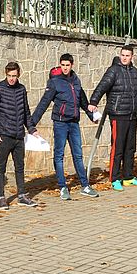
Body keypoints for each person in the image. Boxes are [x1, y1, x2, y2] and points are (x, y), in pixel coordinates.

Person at [31, 54, 99, 198]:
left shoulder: (76, 80)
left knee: (78, 155)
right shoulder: (55, 82)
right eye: (62, 65)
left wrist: (91, 116)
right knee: (59, 155)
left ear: (72, 65)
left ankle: (85, 186)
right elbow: (44, 103)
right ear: (60, 65)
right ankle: (63, 187)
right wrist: (31, 124)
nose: (65, 68)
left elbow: (83, 100)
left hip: (74, 123)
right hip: (60, 123)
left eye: (67, 65)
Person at [88, 45, 137, 191]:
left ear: (132, 57)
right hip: (117, 114)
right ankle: (115, 178)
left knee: (130, 147)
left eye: (127, 55)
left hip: (131, 114)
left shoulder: (135, 73)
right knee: (118, 147)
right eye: (122, 55)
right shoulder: (114, 70)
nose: (124, 58)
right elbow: (102, 86)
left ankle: (128, 177)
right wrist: (93, 102)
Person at [0, 62, 39, 209]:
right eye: (9, 76)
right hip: (4, 136)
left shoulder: (21, 89)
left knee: (20, 166)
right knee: (1, 168)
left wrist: (32, 129)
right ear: (6, 74)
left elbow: (26, 112)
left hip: (18, 135)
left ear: (18, 75)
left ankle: (22, 195)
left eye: (14, 76)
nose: (11, 79)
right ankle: (1, 197)